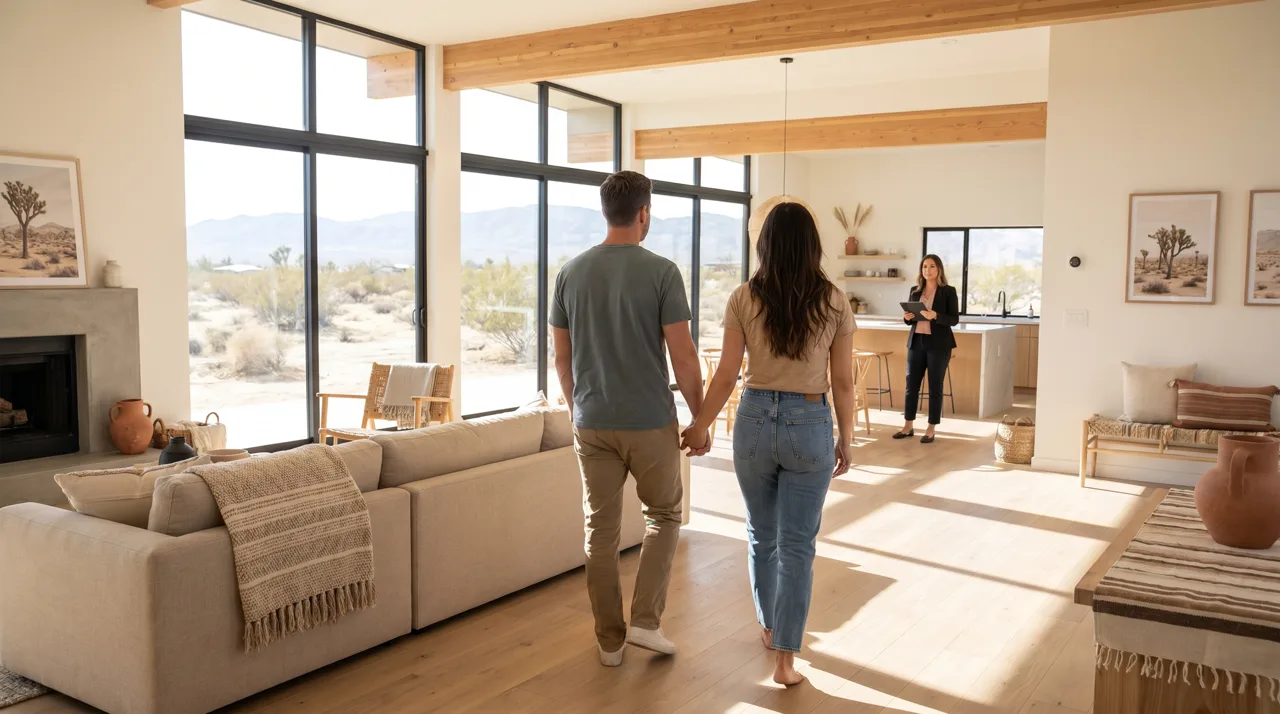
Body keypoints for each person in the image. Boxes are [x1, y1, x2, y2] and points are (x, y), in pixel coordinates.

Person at [682, 202, 856, 686]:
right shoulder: (835, 301)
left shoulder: (742, 297)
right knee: (798, 544)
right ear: (812, 246)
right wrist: (848, 437)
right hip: (809, 419)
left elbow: (726, 373)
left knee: (762, 534)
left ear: (766, 245)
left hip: (754, 418)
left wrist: (700, 425)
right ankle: (785, 659)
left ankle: (769, 627)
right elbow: (842, 382)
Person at [550, 170, 706, 668]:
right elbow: (682, 356)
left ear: (605, 212)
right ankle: (644, 622)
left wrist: (579, 412)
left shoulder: (569, 273)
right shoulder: (662, 272)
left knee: (600, 531)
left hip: (591, 421)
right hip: (648, 422)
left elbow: (561, 358)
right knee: (663, 516)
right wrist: (700, 416)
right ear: (643, 213)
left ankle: (610, 641)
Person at [896, 254, 960, 444]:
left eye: (932, 266)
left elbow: (954, 319)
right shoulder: (915, 291)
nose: (927, 270)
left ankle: (931, 428)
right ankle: (908, 426)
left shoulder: (948, 291)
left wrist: (935, 315)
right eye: (924, 267)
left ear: (938, 269)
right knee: (911, 386)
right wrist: (907, 318)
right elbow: (910, 321)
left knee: (934, 387)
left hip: (939, 345)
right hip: (916, 343)